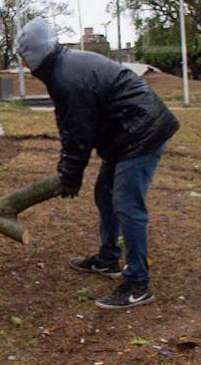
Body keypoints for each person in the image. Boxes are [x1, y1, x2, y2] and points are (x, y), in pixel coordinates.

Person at [15, 18, 178, 309]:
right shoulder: (62, 68)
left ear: (33, 56)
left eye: (23, 57)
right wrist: (70, 173)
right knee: (104, 194)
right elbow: (74, 128)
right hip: (124, 134)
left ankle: (138, 284)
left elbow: (78, 133)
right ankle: (108, 258)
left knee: (127, 204)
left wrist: (69, 176)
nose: (23, 64)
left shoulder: (66, 77)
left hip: (141, 132)